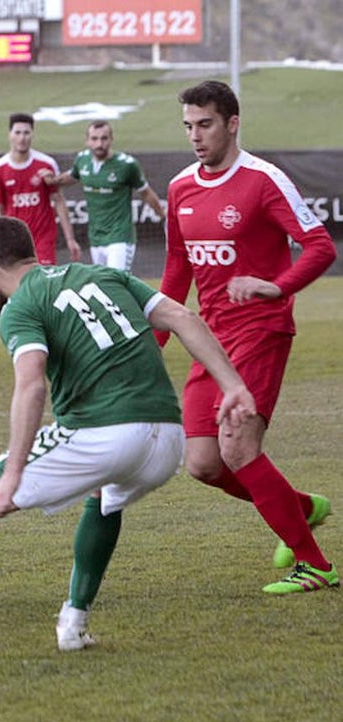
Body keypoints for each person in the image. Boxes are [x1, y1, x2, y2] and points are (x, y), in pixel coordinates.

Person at [0, 216, 256, 660]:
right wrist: (233, 386)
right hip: (168, 438)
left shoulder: (21, 305)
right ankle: (73, 625)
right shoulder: (104, 275)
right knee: (105, 495)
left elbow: (31, 386)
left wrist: (12, 475)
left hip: (106, 433)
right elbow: (182, 316)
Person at [160, 80, 337, 593]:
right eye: (188, 126)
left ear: (232, 123)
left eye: (205, 125)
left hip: (261, 330)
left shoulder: (264, 180)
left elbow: (320, 246)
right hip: (209, 338)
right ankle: (302, 508)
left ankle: (315, 566)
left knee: (237, 448)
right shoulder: (180, 187)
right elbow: (177, 267)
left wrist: (277, 287)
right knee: (203, 464)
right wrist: (157, 340)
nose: (195, 136)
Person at [40, 121, 166, 272]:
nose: (99, 144)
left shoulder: (127, 165)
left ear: (111, 139)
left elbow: (146, 192)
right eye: (94, 139)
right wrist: (53, 180)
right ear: (87, 140)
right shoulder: (82, 160)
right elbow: (72, 176)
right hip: (96, 237)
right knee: (103, 283)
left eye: (104, 138)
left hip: (120, 236)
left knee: (115, 280)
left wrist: (164, 217)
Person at [0, 113, 82, 266]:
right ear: (10, 135)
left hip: (43, 238)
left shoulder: (46, 164)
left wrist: (70, 239)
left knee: (44, 279)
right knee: (20, 280)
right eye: (18, 133)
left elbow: (59, 201)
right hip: (14, 240)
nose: (22, 138)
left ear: (32, 134)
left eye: (26, 133)